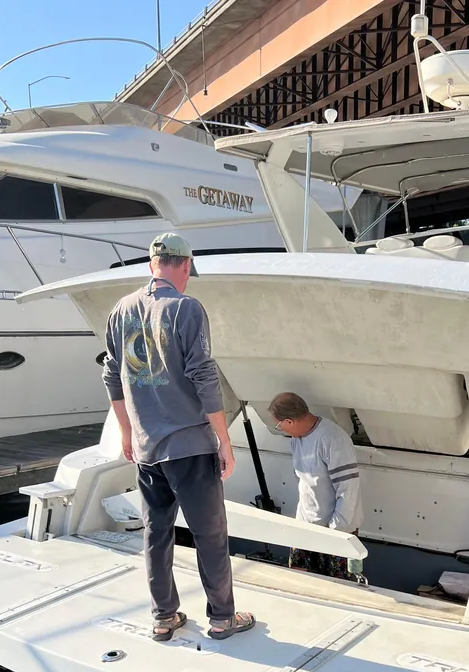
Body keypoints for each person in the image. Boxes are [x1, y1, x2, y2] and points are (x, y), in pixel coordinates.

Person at [102, 232, 254, 641]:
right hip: (189, 446)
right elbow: (203, 377)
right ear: (184, 265)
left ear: (152, 264)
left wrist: (127, 433)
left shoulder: (121, 310)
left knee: (156, 534)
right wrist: (224, 440)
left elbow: (112, 376)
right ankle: (222, 618)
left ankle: (163, 617)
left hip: (148, 448)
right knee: (210, 534)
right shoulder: (187, 308)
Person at [268, 392, 364, 580]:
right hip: (305, 524)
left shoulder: (333, 439)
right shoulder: (297, 440)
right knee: (300, 579)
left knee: (338, 586)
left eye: (279, 426)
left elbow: (348, 489)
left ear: (289, 421)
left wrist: (336, 531)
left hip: (336, 530)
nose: (282, 430)